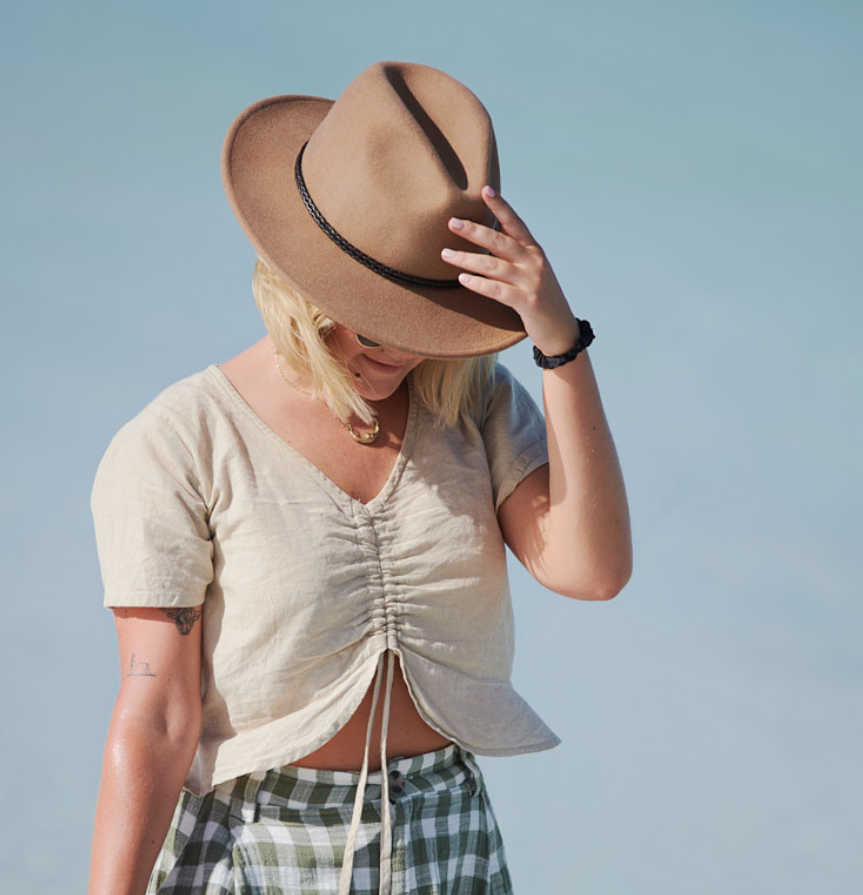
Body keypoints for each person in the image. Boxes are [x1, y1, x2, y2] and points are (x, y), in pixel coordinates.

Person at [88, 61, 631, 895]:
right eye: (366, 310)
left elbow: (591, 571)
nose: (396, 346)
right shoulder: (178, 442)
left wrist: (559, 341)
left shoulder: (473, 401)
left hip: (446, 838)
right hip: (260, 848)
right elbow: (157, 713)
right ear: (298, 268)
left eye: (419, 313)